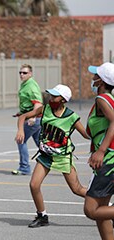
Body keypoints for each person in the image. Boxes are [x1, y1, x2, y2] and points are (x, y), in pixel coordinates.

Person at [15, 84, 90, 228]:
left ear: (63, 100)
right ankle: (42, 216)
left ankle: (109, 207)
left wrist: (102, 135)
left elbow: (87, 135)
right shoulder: (45, 109)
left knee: (77, 189)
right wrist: (21, 130)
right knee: (34, 184)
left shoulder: (71, 116)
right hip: (46, 155)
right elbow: (24, 116)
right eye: (51, 95)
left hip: (62, 157)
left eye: (54, 96)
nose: (51, 98)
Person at [83, 62, 114, 239]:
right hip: (109, 159)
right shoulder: (110, 100)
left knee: (91, 210)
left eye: (96, 76)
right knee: (102, 212)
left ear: (101, 81)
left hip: (109, 159)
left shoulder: (102, 99)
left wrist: (101, 151)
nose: (93, 78)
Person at [12, 64, 43, 175]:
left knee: (21, 140)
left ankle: (24, 167)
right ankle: (57, 161)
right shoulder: (25, 84)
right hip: (30, 117)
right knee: (42, 144)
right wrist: (21, 113)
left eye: (24, 73)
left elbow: (38, 103)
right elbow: (28, 102)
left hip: (33, 119)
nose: (21, 74)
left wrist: (33, 117)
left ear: (30, 74)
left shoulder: (31, 86)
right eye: (20, 72)